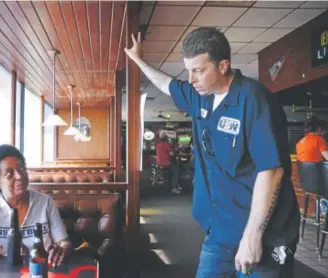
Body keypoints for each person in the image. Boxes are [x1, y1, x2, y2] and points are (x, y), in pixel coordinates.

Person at [125, 27, 300, 277]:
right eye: (189, 71)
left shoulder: (253, 99)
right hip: (220, 231)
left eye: (198, 70)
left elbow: (270, 171)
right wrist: (138, 60)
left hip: (264, 232)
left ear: (223, 65)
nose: (192, 79)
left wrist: (253, 236)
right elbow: (167, 84)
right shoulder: (200, 96)